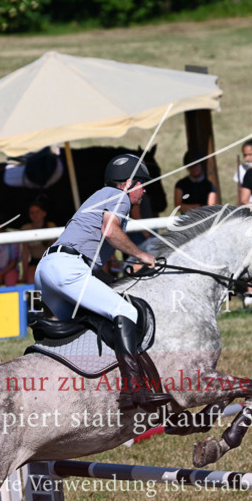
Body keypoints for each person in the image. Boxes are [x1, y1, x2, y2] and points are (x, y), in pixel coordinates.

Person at [35, 154, 173, 411]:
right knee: (126, 311)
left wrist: (117, 277)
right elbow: (110, 231)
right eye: (142, 183)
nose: (144, 190)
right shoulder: (119, 197)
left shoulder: (100, 196)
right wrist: (142, 255)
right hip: (67, 269)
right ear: (128, 183)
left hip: (47, 270)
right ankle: (133, 390)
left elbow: (93, 258)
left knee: (86, 327)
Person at [20, 200, 55, 284]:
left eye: (37, 212)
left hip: (49, 260)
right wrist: (24, 274)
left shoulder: (51, 226)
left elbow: (55, 250)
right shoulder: (25, 229)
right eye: (32, 212)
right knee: (31, 280)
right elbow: (25, 253)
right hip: (34, 261)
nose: (34, 214)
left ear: (44, 213)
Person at [233, 139, 252, 204]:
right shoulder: (241, 168)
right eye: (245, 155)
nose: (247, 158)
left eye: (250, 154)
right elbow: (240, 189)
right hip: (247, 205)